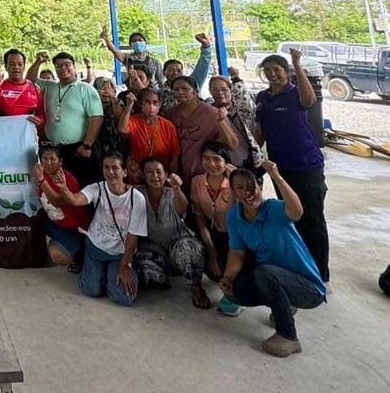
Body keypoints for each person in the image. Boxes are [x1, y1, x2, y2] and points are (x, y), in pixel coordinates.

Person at [220, 163, 327, 357]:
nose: (248, 192)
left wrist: (276, 176)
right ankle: (284, 305)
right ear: (234, 193)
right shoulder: (235, 217)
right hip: (274, 279)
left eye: (252, 186)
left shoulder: (274, 209)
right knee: (234, 292)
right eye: (240, 188)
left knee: (265, 272)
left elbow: (297, 212)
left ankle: (288, 336)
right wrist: (227, 278)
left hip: (308, 288)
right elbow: (237, 253)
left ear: (260, 187)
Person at [255, 50, 330, 284]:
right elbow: (260, 132)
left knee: (313, 220)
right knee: (291, 216)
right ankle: (299, 263)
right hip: (280, 168)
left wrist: (297, 63)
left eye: (276, 69)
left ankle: (321, 274)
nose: (272, 74)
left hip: (306, 164)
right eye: (267, 71)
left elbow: (310, 101)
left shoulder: (295, 93)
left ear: (286, 72)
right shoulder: (262, 98)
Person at [65, 154, 147, 307]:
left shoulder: (137, 198)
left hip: (120, 254)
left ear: (124, 172)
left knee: (125, 298)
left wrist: (125, 265)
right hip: (96, 247)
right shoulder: (97, 189)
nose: (110, 172)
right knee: (91, 290)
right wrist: (64, 189)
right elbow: (75, 200)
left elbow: (133, 235)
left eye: (115, 168)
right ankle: (97, 271)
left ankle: (110, 273)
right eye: (106, 168)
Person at [135, 158, 209, 309]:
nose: (154, 176)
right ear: (143, 175)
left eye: (158, 172)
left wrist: (176, 188)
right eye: (149, 172)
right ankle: (163, 278)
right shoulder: (137, 193)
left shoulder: (172, 192)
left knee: (186, 248)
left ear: (166, 174)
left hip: (179, 246)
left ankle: (196, 286)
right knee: (141, 261)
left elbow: (182, 207)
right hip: (156, 250)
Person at [27, 52, 104, 185]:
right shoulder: (50, 86)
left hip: (78, 148)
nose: (63, 68)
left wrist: (87, 145)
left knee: (81, 185)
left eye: (67, 65)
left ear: (74, 67)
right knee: (56, 186)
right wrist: (38, 62)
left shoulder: (86, 89)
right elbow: (29, 80)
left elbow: (96, 118)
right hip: (54, 148)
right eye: (58, 66)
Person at [189, 140, 241, 315]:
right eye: (206, 159)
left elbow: (240, 218)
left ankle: (236, 295)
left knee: (234, 270)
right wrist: (211, 250)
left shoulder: (236, 183)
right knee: (208, 265)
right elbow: (200, 219)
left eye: (217, 159)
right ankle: (200, 283)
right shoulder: (197, 182)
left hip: (235, 237)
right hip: (211, 235)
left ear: (226, 161)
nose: (211, 164)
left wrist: (235, 186)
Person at [164, 75, 239, 183]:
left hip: (206, 176)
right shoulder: (170, 114)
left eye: (184, 88)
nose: (180, 92)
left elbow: (232, 145)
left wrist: (221, 122)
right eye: (176, 89)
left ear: (195, 92)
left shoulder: (212, 113)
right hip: (179, 176)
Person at [31, 145, 91, 271]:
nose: (48, 163)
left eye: (52, 159)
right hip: (54, 223)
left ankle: (80, 254)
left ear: (61, 161)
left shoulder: (68, 180)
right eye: (45, 158)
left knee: (56, 255)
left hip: (74, 228)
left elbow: (57, 202)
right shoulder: (42, 174)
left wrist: (42, 181)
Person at [208, 75, 264, 175]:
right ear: (210, 91)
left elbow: (243, 95)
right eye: (215, 90)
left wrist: (235, 77)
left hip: (250, 160)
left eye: (224, 89)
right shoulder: (208, 111)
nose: (220, 93)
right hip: (224, 164)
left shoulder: (241, 108)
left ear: (231, 90)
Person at [119, 88, 181, 176]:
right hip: (138, 173)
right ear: (141, 104)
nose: (151, 106)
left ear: (159, 105)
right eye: (147, 102)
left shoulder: (168, 126)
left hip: (161, 174)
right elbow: (122, 129)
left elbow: (175, 155)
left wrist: (172, 175)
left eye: (155, 103)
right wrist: (129, 106)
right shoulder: (135, 121)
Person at [159, 34, 214, 113]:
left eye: (179, 70)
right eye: (171, 70)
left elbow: (203, 66)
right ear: (164, 72)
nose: (175, 73)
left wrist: (206, 47)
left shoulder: (193, 82)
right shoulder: (159, 93)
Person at [0, 49, 42, 118]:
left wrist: (40, 120)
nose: (16, 67)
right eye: (12, 64)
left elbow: (41, 114)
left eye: (19, 64)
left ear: (24, 67)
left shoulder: (35, 88)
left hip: (28, 128)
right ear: (6, 67)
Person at [89, 77, 126, 173]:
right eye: (103, 88)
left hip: (117, 146)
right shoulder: (92, 106)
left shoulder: (120, 103)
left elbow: (122, 125)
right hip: (98, 146)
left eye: (110, 88)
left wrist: (115, 106)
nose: (106, 92)